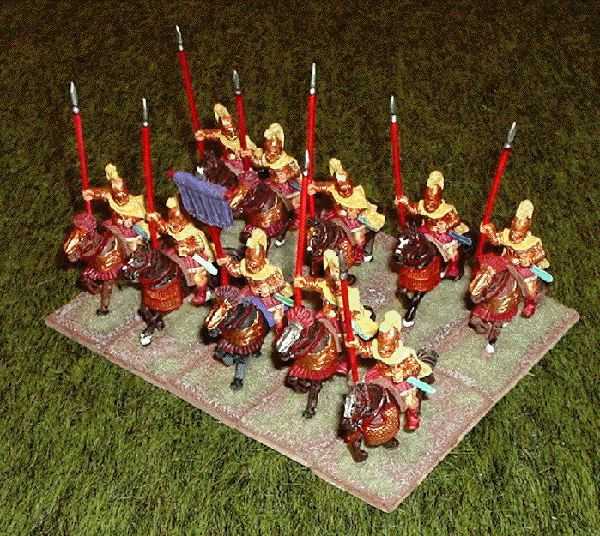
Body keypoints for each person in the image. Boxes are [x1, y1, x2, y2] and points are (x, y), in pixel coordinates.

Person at [350, 310, 433, 431]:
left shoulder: (405, 354)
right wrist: (356, 344)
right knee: (364, 388)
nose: (383, 351)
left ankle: (413, 418)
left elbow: (415, 367)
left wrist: (402, 374)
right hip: (380, 373)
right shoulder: (377, 346)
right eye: (382, 347)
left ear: (395, 342)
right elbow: (366, 350)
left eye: (387, 348)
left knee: (411, 402)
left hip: (400, 381)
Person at [479, 199, 549, 317]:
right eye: (514, 231)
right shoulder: (507, 234)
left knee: (529, 287)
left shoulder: (533, 242)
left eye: (519, 234)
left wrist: (530, 260)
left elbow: (540, 253)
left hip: (522, 267)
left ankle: (530, 303)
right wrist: (490, 231)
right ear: (512, 224)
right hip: (505, 261)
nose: (514, 236)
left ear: (526, 230)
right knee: (488, 271)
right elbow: (496, 240)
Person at [395, 170, 468, 279]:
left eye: (433, 202)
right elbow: (413, 209)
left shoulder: (446, 209)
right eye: (427, 200)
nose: (429, 205)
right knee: (412, 240)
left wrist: (446, 225)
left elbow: (455, 219)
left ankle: (453, 269)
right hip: (426, 229)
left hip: (442, 234)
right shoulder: (422, 205)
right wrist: (405, 203)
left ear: (439, 200)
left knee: (452, 253)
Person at [309, 158, 385, 262]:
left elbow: (361, 205)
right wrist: (313, 187)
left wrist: (355, 211)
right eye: (342, 189)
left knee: (358, 239)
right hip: (336, 214)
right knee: (323, 224)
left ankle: (358, 253)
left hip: (352, 219)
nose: (346, 191)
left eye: (348, 188)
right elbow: (323, 187)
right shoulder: (333, 188)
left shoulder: (357, 193)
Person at [217, 228, 292, 332]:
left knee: (277, 317)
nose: (249, 266)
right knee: (235, 300)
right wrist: (227, 262)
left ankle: (280, 330)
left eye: (253, 263)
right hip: (250, 290)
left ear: (262, 259)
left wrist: (269, 289)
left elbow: (280, 284)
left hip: (269, 297)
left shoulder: (271, 271)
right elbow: (235, 271)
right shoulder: (244, 265)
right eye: (248, 261)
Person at [294, 249, 378, 341]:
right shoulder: (325, 285)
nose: (336, 282)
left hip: (344, 320)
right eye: (331, 275)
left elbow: (356, 314)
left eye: (337, 274)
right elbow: (313, 284)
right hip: (328, 315)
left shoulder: (352, 295)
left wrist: (345, 313)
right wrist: (303, 283)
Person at [147, 196, 215, 306]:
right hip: (175, 252)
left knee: (198, 278)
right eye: (171, 219)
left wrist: (185, 248)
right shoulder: (172, 226)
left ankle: (202, 292)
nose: (173, 223)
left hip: (193, 257)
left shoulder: (193, 231)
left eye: (177, 220)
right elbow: (164, 228)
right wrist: (155, 219)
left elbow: (199, 246)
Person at [82, 163, 148, 252]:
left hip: (132, 227)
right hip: (116, 223)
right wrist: (91, 193)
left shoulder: (135, 202)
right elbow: (102, 192)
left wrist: (131, 220)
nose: (121, 198)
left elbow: (141, 215)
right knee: (106, 233)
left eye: (124, 195)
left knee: (134, 242)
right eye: (117, 196)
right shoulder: (110, 196)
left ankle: (136, 252)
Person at [248, 123, 302, 210]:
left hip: (289, 188)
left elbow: (297, 171)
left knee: (294, 204)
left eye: (275, 153)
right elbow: (258, 163)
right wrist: (250, 156)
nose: (271, 155)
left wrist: (287, 176)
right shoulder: (265, 159)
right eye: (269, 152)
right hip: (273, 184)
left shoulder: (288, 160)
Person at [194, 103, 256, 173]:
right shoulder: (221, 134)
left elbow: (256, 153)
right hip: (228, 165)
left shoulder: (243, 138)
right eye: (225, 127)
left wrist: (250, 152)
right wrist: (202, 133)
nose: (229, 129)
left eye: (230, 125)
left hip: (244, 167)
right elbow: (210, 133)